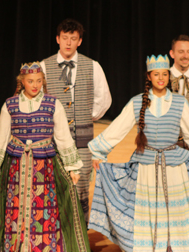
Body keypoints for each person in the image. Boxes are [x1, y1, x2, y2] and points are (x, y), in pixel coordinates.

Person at [88, 55, 189, 252]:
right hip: (146, 168)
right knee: (148, 215)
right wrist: (99, 152)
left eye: (164, 74)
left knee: (172, 216)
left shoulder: (180, 103)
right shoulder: (137, 102)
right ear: (149, 77)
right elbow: (118, 127)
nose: (160, 78)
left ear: (168, 76)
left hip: (175, 168)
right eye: (156, 74)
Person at [0, 62, 91, 252]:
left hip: (44, 170)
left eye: (39, 81)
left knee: (44, 216)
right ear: (21, 81)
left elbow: (62, 136)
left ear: (43, 81)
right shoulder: (10, 105)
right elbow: (1, 138)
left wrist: (72, 167)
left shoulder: (53, 104)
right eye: (30, 81)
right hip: (17, 168)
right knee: (17, 214)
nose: (35, 85)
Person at [40, 18, 112, 222]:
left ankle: (80, 235)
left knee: (80, 187)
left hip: (82, 140)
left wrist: (86, 116)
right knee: (54, 185)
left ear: (79, 41)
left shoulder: (92, 66)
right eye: (65, 38)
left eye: (73, 38)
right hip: (52, 140)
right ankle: (56, 233)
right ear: (57, 39)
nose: (69, 43)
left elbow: (104, 98)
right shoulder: (44, 66)